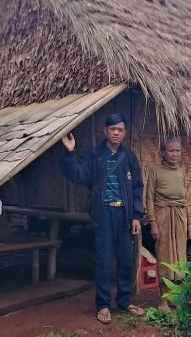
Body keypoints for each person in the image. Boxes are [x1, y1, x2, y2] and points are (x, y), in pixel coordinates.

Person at [60, 113, 146, 324]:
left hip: (124, 215)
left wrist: (136, 215)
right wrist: (70, 153)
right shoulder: (94, 156)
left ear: (124, 133)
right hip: (104, 215)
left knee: (126, 259)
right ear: (105, 131)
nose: (116, 133)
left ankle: (125, 301)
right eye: (112, 129)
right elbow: (76, 175)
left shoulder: (129, 158)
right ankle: (103, 305)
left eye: (120, 130)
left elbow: (136, 188)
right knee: (103, 260)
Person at [145, 136, 191, 311]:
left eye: (178, 151)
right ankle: (163, 300)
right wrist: (153, 222)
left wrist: (189, 223)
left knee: (180, 257)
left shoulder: (181, 172)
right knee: (164, 257)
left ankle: (175, 297)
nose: (175, 154)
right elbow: (149, 198)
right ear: (163, 153)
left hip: (180, 217)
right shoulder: (155, 171)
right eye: (171, 151)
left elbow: (186, 200)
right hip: (162, 216)